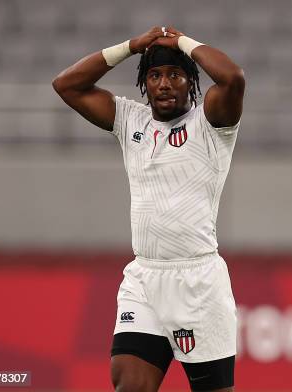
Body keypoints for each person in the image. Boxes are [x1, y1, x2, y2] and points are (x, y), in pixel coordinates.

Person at [52, 26, 245, 392]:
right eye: (155, 75)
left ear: (191, 82)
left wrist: (184, 42)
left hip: (199, 283)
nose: (164, 84)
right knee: (129, 384)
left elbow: (233, 77)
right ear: (144, 83)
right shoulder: (130, 121)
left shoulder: (211, 124)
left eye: (175, 75)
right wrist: (130, 47)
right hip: (144, 279)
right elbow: (66, 85)